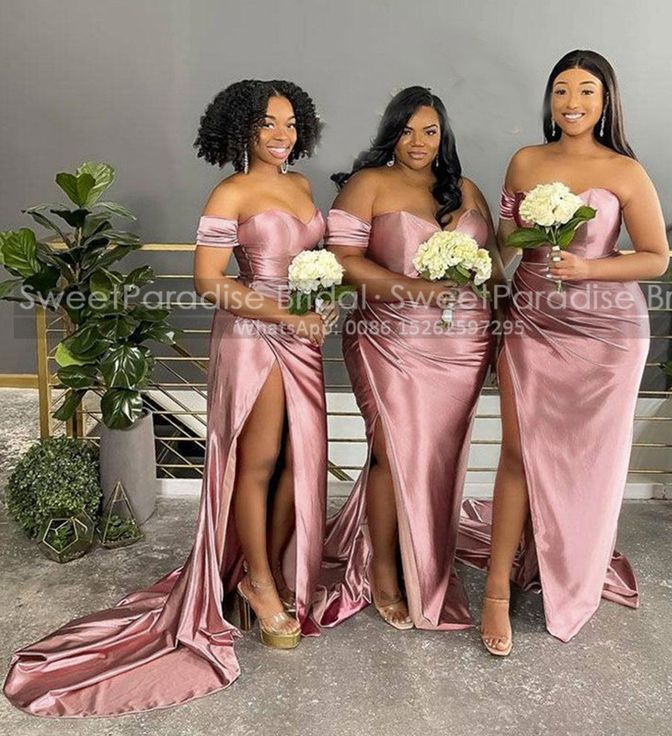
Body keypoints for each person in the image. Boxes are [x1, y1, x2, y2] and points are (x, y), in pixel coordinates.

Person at [4, 79, 336, 717]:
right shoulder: (230, 193)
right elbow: (208, 282)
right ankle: (260, 585)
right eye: (268, 123)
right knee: (259, 462)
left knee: (299, 462)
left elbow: (306, 258)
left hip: (303, 333)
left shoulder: (302, 188)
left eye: (291, 124)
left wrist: (315, 298)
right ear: (241, 129)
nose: (282, 135)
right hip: (255, 336)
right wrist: (285, 314)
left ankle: (265, 568)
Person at [458, 50, 669, 655]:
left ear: (606, 101)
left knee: (587, 460)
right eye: (560, 91)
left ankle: (566, 566)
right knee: (519, 451)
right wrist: (462, 252)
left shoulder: (625, 170)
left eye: (586, 91)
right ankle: (497, 587)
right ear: (549, 101)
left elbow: (655, 256)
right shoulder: (525, 160)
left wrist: (588, 266)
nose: (572, 102)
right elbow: (501, 242)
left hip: (605, 333)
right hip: (530, 319)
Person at [314, 86, 505, 631]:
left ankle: (430, 556)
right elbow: (342, 261)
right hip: (390, 338)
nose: (418, 142)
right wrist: (412, 288)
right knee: (391, 452)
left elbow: (492, 265)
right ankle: (385, 573)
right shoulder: (367, 184)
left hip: (465, 343)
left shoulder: (464, 188)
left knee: (440, 456)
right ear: (390, 133)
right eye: (407, 130)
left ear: (443, 135)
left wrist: (495, 312)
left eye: (429, 131)